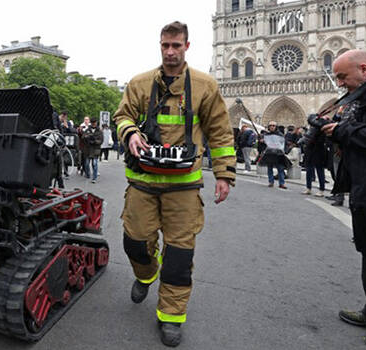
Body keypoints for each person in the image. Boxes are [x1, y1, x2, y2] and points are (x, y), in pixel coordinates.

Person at [113, 21, 235, 347]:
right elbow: (121, 115)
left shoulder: (205, 85)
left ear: (187, 46)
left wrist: (224, 174)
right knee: (135, 243)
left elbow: (220, 132)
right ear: (160, 45)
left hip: (183, 186)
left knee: (180, 258)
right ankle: (145, 273)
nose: (170, 52)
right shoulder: (139, 83)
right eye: (165, 45)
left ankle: (170, 317)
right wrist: (131, 132)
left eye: (176, 46)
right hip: (142, 181)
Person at [321, 50, 366, 350]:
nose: (338, 83)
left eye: (341, 76)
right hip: (365, 188)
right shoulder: (364, 95)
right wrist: (336, 133)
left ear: (364, 69)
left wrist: (346, 129)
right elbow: (363, 135)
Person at [258, 121, 289, 189]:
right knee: (270, 168)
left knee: (280, 169)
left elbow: (284, 143)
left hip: (278, 154)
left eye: (273, 125)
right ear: (268, 127)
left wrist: (285, 151)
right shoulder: (266, 135)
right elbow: (263, 145)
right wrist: (261, 141)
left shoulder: (280, 135)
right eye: (270, 125)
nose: (272, 127)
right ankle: (271, 182)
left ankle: (282, 183)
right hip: (269, 153)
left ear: (276, 127)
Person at [81, 117, 102, 183]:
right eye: (92, 123)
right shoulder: (87, 130)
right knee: (87, 163)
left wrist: (95, 141)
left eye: (94, 123)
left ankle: (94, 178)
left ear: (96, 123)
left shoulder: (99, 131)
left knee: (94, 164)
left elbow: (101, 140)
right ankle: (87, 174)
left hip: (95, 149)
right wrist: (87, 137)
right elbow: (83, 137)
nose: (93, 124)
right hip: (88, 149)